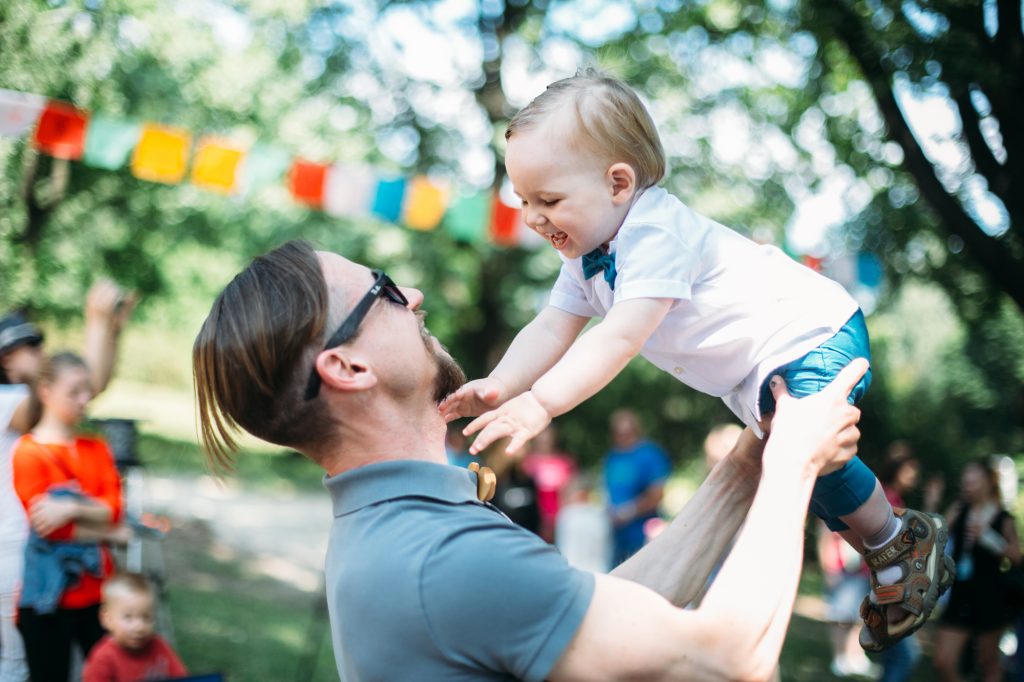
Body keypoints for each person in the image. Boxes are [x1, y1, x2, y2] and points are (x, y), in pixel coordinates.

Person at [439, 70, 951, 650]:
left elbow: (619, 338)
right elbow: (551, 325)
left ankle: (896, 544)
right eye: (524, 201)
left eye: (548, 200)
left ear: (618, 183)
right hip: (760, 370)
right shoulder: (586, 256)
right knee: (802, 467)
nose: (533, 217)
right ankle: (893, 551)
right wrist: (503, 384)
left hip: (810, 332)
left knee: (801, 454)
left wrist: (541, 403)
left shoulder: (654, 231)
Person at [193, 240, 867, 681]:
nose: (416, 299)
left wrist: (756, 456)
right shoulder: (441, 558)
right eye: (387, 292)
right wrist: (795, 467)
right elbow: (724, 662)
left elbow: (618, 613)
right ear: (347, 365)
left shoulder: (401, 531)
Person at [0, 283, 132, 682]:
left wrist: (110, 330)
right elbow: (80, 383)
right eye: (32, 348)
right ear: (6, 357)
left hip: (47, 559)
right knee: (20, 669)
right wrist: (95, 319)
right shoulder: (7, 401)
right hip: (19, 562)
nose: (42, 354)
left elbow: (86, 384)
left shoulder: (44, 414)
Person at [933, 457, 1022, 682]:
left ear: (989, 481)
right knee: (943, 659)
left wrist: (989, 538)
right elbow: (934, 537)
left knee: (988, 663)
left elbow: (1016, 557)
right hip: (960, 594)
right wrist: (932, 504)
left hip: (990, 597)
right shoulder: (959, 510)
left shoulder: (1003, 518)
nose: (967, 484)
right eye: (965, 480)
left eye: (973, 479)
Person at [83, 572, 187, 682]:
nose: (139, 627)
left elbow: (182, 677)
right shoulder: (103, 659)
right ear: (107, 619)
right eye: (128, 617)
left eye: (146, 617)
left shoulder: (159, 646)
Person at [601, 409, 671, 565]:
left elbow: (657, 493)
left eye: (627, 433)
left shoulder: (650, 454)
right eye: (618, 433)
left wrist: (629, 511)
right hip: (617, 534)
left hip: (643, 530)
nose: (622, 437)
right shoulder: (612, 457)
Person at [816, 521, 879, 679]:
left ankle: (855, 656)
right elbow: (825, 538)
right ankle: (840, 657)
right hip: (840, 570)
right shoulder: (831, 513)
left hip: (862, 571)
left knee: (861, 617)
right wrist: (829, 569)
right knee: (840, 618)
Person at [521, 425, 577, 542]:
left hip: (560, 518)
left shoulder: (564, 462)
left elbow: (570, 491)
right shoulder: (527, 462)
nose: (544, 442)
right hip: (533, 518)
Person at [554, 472, 613, 573]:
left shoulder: (567, 515)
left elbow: (564, 549)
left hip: (573, 573)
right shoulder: (600, 515)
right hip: (601, 571)